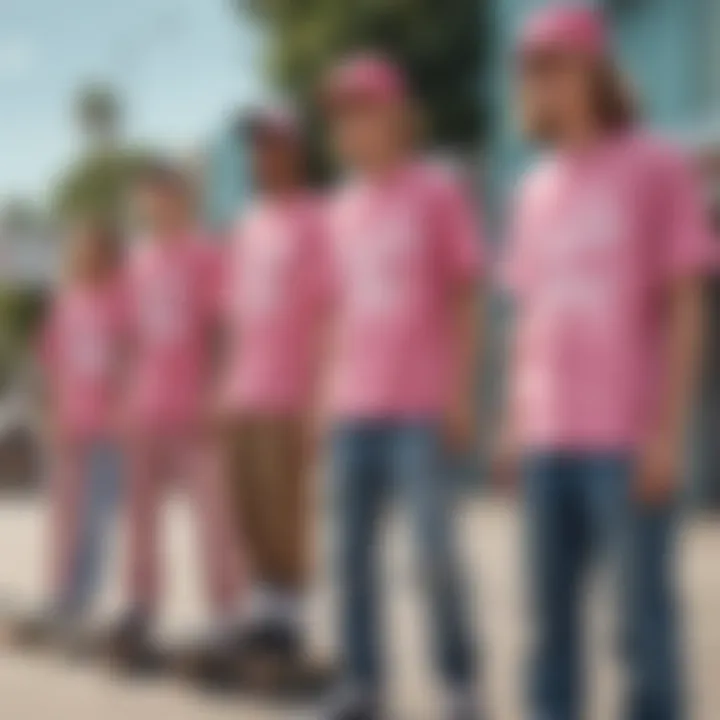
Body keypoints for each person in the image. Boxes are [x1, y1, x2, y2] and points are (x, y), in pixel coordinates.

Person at [497, 6, 716, 720]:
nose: (542, 84)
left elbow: (686, 301)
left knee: (643, 630)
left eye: (556, 65)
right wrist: (512, 420)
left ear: (596, 68)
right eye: (531, 71)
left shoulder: (654, 166)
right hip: (546, 445)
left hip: (624, 444)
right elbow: (527, 317)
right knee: (546, 634)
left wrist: (667, 431)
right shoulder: (531, 190)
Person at [319, 54, 486, 720]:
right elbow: (334, 312)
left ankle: (459, 684)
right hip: (353, 408)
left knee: (433, 553)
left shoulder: (437, 192)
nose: (348, 127)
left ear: (394, 116)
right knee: (350, 559)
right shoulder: (340, 210)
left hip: (419, 407)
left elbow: (467, 294)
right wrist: (323, 401)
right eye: (340, 117)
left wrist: (462, 393)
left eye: (360, 111)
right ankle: (363, 684)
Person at [113, 161, 241, 666]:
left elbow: (224, 330)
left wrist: (220, 391)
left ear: (185, 200)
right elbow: (127, 338)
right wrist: (122, 396)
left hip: (196, 410)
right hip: (144, 409)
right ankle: (142, 605)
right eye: (149, 196)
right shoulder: (137, 262)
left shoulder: (207, 256)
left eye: (166, 194)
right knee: (141, 520)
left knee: (214, 516)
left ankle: (227, 612)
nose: (157, 204)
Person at [215, 106, 326, 666]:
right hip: (244, 391)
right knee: (250, 509)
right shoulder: (248, 223)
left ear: (295, 148)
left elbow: (328, 312)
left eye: (273, 144)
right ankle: (264, 613)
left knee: (286, 513)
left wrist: (318, 399)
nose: (263, 155)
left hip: (289, 390)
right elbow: (235, 316)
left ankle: (290, 622)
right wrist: (223, 388)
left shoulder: (314, 219)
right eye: (255, 147)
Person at [31, 217, 126, 641]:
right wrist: (50, 414)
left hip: (108, 430)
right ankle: (60, 591)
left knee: (94, 516)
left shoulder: (121, 303)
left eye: (97, 250)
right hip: (68, 425)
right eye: (82, 250)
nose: (88, 258)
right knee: (64, 516)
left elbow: (131, 360)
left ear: (108, 256)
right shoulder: (66, 303)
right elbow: (50, 366)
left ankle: (83, 594)